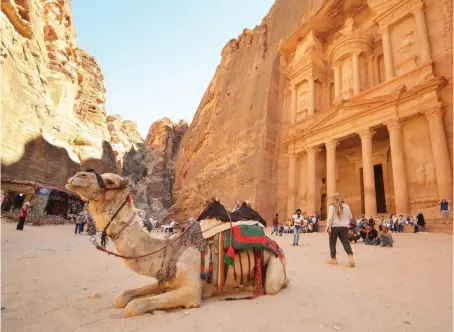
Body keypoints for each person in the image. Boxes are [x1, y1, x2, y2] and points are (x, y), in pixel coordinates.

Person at [326, 193, 355, 267]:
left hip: (334, 227)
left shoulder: (332, 206)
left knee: (332, 243)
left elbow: (330, 217)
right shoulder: (346, 206)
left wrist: (328, 227)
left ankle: (333, 259)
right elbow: (350, 216)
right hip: (344, 227)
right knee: (346, 243)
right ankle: (350, 256)